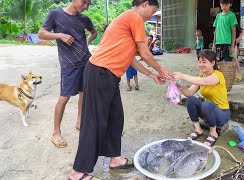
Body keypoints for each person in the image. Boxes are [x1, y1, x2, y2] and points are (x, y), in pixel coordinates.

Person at [68, 0, 171, 179]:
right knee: (94, 122)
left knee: (115, 117)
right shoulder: (134, 17)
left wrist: (151, 74)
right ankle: (77, 171)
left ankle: (115, 158)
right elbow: (145, 53)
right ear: (145, 4)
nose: (151, 16)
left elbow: (131, 58)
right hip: (101, 72)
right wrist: (162, 70)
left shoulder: (126, 19)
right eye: (152, 11)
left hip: (108, 75)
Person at [38, 0, 97, 148]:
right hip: (69, 64)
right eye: (84, 2)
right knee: (64, 97)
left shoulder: (84, 19)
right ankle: (56, 133)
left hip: (86, 61)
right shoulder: (56, 14)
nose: (86, 7)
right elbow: (41, 33)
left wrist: (86, 42)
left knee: (84, 93)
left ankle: (79, 121)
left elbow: (94, 32)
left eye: (89, 4)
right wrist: (60, 36)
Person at [172, 50, 231, 147]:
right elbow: (189, 92)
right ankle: (198, 129)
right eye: (199, 62)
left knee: (206, 104)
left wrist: (182, 76)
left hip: (222, 114)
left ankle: (213, 133)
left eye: (204, 62)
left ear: (213, 63)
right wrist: (181, 88)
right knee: (191, 99)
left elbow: (205, 82)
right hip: (208, 112)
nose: (201, 64)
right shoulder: (201, 76)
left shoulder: (218, 75)